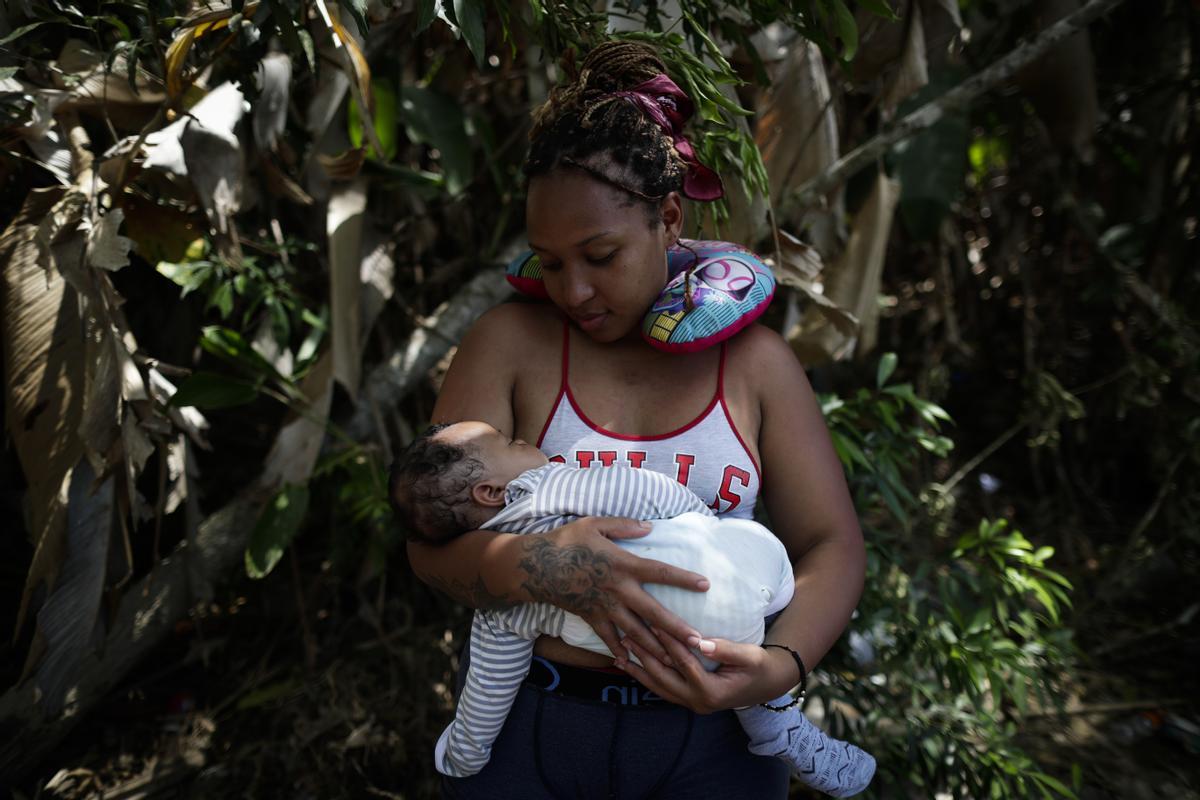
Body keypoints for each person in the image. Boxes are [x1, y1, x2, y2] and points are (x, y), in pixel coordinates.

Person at [406, 40, 866, 799]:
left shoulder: (756, 367)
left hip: (714, 743)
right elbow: (429, 544)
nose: (575, 290)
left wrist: (778, 668)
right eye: (550, 263)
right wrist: (535, 567)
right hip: (531, 725)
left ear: (669, 218)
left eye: (600, 254)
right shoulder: (506, 346)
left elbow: (831, 543)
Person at [391, 421, 875, 796]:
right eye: (511, 442)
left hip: (642, 658)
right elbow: (639, 490)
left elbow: (488, 687)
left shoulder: (501, 605)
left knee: (682, 649)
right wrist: (702, 526)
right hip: (719, 584)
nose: (522, 442)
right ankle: (782, 730)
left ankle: (772, 716)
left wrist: (465, 753)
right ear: (492, 492)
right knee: (733, 639)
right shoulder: (548, 485)